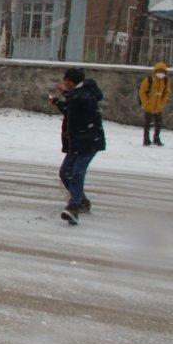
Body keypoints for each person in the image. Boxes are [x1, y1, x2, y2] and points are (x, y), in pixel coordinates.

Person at [50, 66, 105, 225]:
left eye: (65, 80)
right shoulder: (80, 94)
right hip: (78, 142)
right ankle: (81, 201)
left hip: (88, 142)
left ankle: (73, 208)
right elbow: (72, 107)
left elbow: (76, 105)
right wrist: (60, 99)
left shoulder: (85, 95)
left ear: (71, 81)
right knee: (65, 172)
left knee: (76, 173)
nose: (64, 83)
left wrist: (64, 96)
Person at [138, 61, 171, 147]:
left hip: (158, 107)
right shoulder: (149, 80)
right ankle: (146, 139)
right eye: (159, 71)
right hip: (149, 106)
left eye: (162, 72)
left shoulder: (165, 81)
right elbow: (142, 92)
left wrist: (161, 104)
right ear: (155, 71)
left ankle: (156, 138)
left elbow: (166, 93)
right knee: (147, 124)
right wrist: (146, 103)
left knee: (158, 123)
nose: (161, 73)